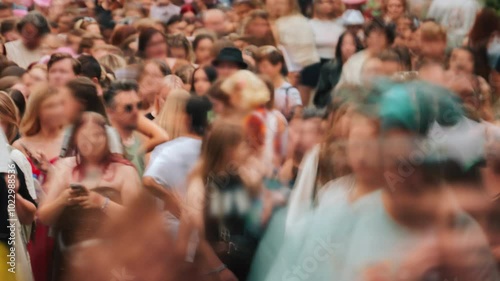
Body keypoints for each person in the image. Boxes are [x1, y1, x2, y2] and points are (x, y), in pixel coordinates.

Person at [38, 112, 144, 280]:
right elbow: (43, 216)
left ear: (107, 137)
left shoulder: (124, 171)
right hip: (70, 259)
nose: (92, 141)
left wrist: (101, 202)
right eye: (85, 135)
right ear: (75, 138)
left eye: (97, 135)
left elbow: (138, 220)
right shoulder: (64, 168)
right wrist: (63, 199)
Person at [176, 121, 273, 280]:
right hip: (211, 269)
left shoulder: (236, 177)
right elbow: (199, 237)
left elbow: (251, 218)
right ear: (229, 150)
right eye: (244, 144)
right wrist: (220, 269)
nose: (248, 149)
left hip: (235, 263)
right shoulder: (200, 184)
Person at [143, 96, 211, 218]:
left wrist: (171, 200)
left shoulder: (169, 150)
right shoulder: (216, 150)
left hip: (174, 226)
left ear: (186, 119)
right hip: (205, 227)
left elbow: (149, 181)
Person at [314, 31, 364, 107]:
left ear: (357, 46)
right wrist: (333, 96)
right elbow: (319, 99)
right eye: (344, 44)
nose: (348, 48)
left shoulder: (364, 67)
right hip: (334, 108)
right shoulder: (329, 67)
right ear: (339, 47)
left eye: (351, 44)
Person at [337, 19, 394, 86]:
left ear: (388, 40)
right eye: (371, 37)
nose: (375, 41)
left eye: (379, 36)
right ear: (366, 39)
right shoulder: (354, 62)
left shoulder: (394, 60)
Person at [255, 46, 302, 119]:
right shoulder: (256, 88)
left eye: (265, 66)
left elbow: (296, 118)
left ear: (278, 65)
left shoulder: (290, 92)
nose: (261, 70)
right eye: (259, 66)